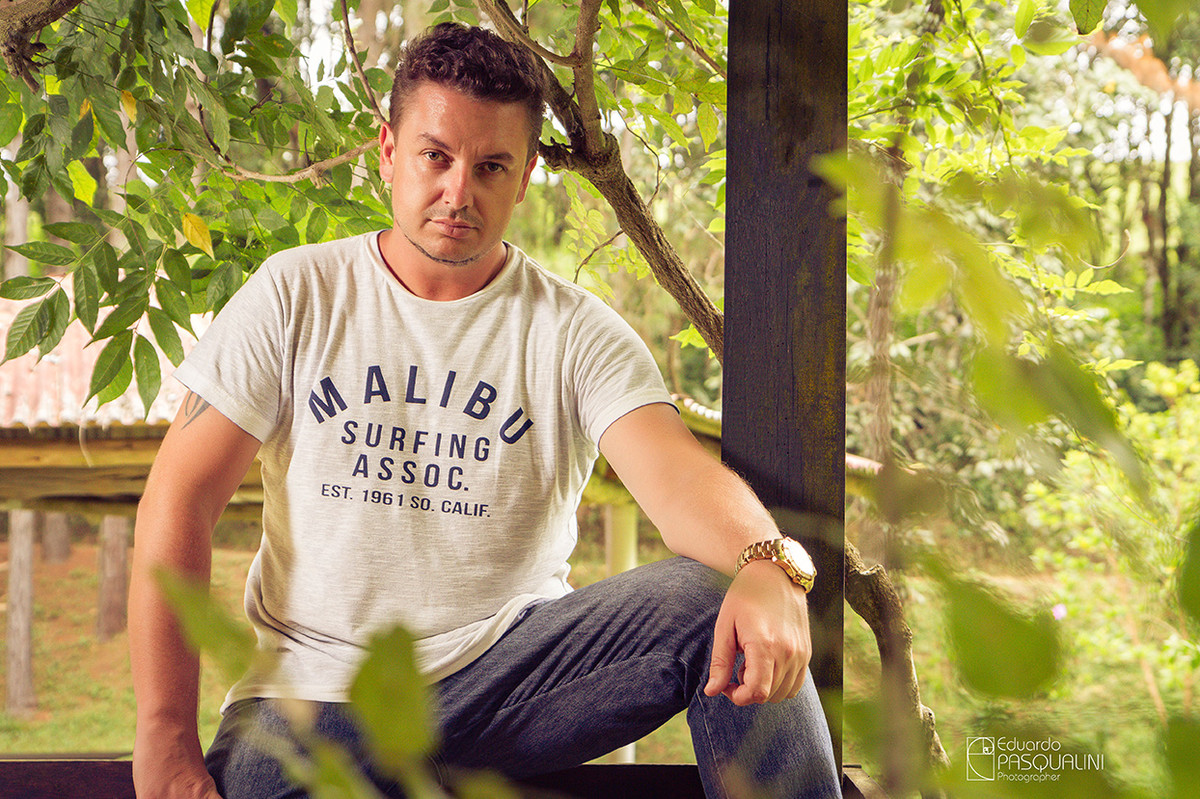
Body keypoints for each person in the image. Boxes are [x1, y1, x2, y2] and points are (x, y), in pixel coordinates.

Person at [129, 22, 839, 799]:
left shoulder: (574, 331)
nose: (458, 191)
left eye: (490, 165)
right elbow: (180, 497)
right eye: (435, 155)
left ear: (526, 175)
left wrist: (771, 566)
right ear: (390, 152)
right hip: (316, 700)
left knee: (709, 602)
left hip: (513, 683)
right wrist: (164, 736)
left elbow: (678, 481)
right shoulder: (295, 294)